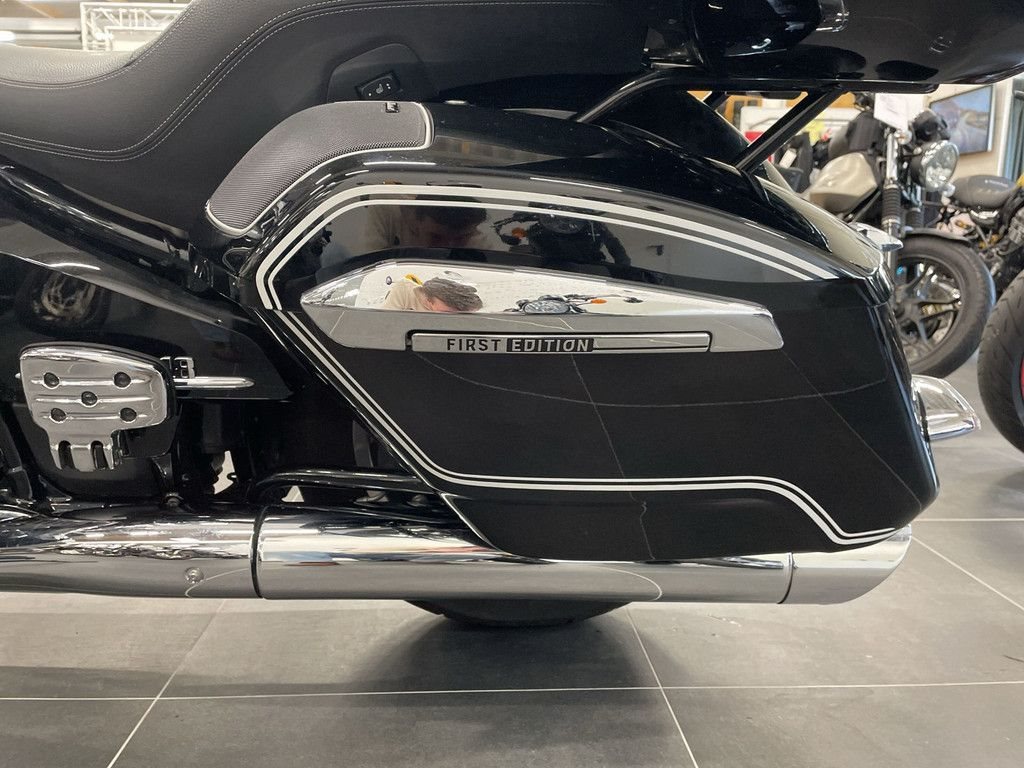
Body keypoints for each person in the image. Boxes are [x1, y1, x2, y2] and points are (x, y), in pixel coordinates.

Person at [365, 203, 495, 251]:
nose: (447, 247)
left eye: (460, 238)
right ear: (414, 220)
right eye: (436, 237)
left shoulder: (482, 245)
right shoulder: (385, 212)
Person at [382, 276, 483, 312]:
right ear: (429, 300)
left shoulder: (464, 306)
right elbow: (384, 324)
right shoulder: (403, 290)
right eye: (446, 313)